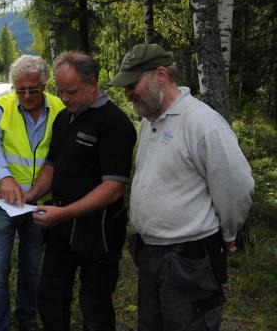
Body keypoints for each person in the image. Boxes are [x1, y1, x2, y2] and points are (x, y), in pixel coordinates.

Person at [109, 43, 254, 331]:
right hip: (152, 254)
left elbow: (236, 188)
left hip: (189, 261)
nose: (127, 93)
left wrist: (228, 233)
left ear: (160, 75)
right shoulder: (150, 121)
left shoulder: (203, 123)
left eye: (132, 84)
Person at [25, 51, 137, 331]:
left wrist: (63, 213)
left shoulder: (115, 123)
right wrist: (32, 195)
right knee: (50, 293)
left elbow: (113, 188)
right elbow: (51, 166)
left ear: (93, 83)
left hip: (98, 229)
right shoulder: (64, 118)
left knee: (94, 303)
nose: (64, 98)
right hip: (60, 225)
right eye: (60, 92)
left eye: (71, 92)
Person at [0, 55, 64, 331]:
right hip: (3, 205)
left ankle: (26, 317)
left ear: (45, 84)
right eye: (20, 89)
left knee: (32, 267)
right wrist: (4, 178)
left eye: (33, 89)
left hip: (38, 202)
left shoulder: (59, 108)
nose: (26, 95)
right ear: (13, 86)